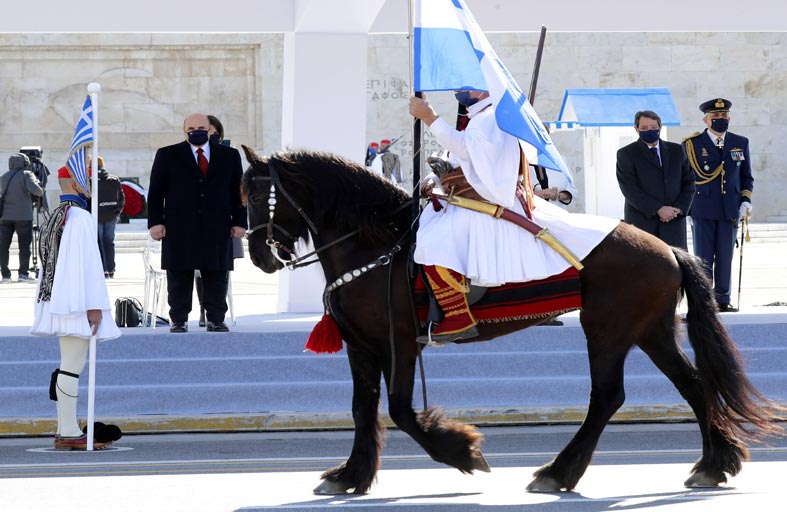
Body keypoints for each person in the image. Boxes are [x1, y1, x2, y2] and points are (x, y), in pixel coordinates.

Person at [409, 91, 618, 343]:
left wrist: (430, 117)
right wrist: (432, 180)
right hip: (466, 198)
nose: (457, 92)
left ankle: (458, 315)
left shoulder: (491, 117)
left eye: (462, 86)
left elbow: (465, 149)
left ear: (481, 89)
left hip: (487, 202)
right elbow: (454, 160)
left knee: (435, 242)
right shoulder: (477, 118)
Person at [30, 165, 121, 450]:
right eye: (88, 180)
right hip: (75, 303)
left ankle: (64, 427)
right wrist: (94, 305)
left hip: (58, 300)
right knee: (72, 366)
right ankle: (68, 432)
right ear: (78, 184)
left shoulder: (56, 215)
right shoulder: (80, 217)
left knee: (68, 365)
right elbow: (89, 265)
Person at [147, 113, 247, 333]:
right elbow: (155, 192)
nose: (196, 131)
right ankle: (179, 320)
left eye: (201, 127)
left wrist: (240, 222)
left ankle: (216, 319)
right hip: (178, 226)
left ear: (210, 129)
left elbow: (238, 192)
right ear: (184, 131)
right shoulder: (167, 155)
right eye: (191, 128)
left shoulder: (229, 156)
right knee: (179, 273)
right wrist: (155, 223)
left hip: (217, 225)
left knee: (217, 273)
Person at [682, 98, 753, 312]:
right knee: (703, 258)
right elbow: (684, 178)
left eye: (724, 116)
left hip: (730, 209)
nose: (720, 119)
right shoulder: (691, 145)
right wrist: (686, 207)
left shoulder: (740, 142)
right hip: (702, 208)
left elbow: (746, 176)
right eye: (715, 116)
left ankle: (723, 298)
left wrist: (745, 201)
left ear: (729, 117)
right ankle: (704, 302)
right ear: (706, 119)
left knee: (725, 256)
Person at [616, 110, 695, 250]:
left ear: (660, 127)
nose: (650, 131)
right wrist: (658, 209)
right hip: (643, 224)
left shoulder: (677, 150)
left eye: (653, 127)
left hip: (673, 222)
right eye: (644, 128)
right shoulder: (626, 154)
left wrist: (678, 209)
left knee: (676, 267)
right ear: (636, 129)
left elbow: (688, 182)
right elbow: (629, 189)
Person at [1, 153, 43, 283]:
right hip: (23, 217)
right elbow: (38, 191)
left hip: (4, 217)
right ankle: (23, 274)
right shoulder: (27, 174)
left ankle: (6, 275)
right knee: (24, 246)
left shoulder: (4, 177)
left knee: (3, 247)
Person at [92, 156, 125, 278]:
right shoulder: (114, 179)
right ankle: (111, 269)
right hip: (111, 215)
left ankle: (103, 269)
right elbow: (121, 198)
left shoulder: (91, 181)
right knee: (109, 243)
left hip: (97, 216)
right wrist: (117, 213)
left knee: (99, 242)